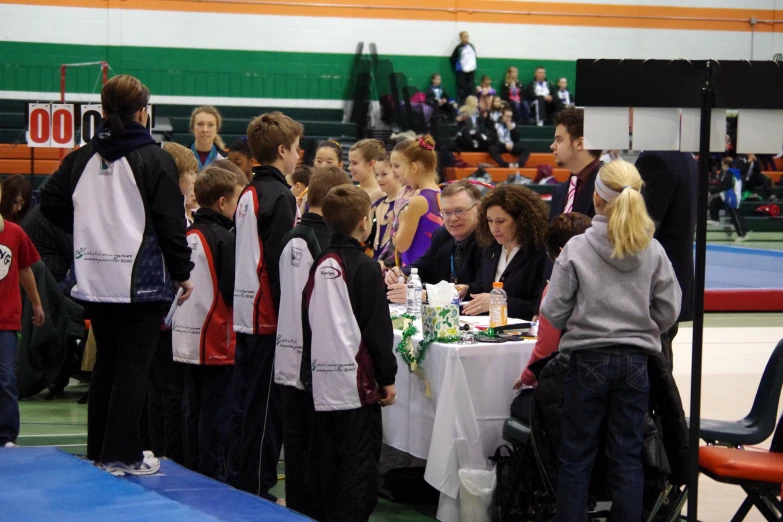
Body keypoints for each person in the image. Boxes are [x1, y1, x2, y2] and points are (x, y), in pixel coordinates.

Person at [40, 74, 194, 475]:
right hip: (141, 281)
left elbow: (50, 203)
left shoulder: (81, 158)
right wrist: (183, 271)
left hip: (94, 276)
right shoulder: (154, 158)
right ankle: (123, 455)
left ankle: (100, 451)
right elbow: (170, 222)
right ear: (144, 110)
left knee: (107, 362)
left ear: (103, 111)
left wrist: (88, 229)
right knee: (133, 367)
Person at [541, 160, 681, 522]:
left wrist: (582, 319)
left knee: (576, 456)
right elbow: (669, 310)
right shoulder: (651, 250)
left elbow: (553, 311)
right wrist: (639, 325)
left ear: (597, 200)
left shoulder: (576, 248)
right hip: (636, 362)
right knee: (627, 456)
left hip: (587, 358)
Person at [301, 184, 398, 522]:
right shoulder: (366, 267)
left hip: (322, 383)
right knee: (358, 466)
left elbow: (307, 319)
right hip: (357, 387)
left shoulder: (319, 263)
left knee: (325, 462)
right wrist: (387, 378)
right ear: (364, 221)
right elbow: (377, 330)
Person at [228, 111, 301, 501]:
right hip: (267, 315)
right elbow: (279, 261)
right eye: (296, 148)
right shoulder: (280, 195)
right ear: (281, 150)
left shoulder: (249, 191)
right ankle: (255, 483)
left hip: (246, 309)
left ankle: (242, 474)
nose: (299, 155)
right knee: (265, 409)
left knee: (245, 402)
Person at [274, 165, 352, 518]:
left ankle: (307, 506)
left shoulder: (305, 236)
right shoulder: (310, 240)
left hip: (301, 357)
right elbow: (307, 305)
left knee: (306, 444)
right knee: (306, 443)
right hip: (307, 361)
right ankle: (306, 507)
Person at [172, 166, 245, 480]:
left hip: (187, 332)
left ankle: (192, 464)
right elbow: (231, 291)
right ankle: (212, 471)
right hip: (216, 336)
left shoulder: (187, 234)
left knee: (193, 405)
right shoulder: (225, 239)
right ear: (222, 203)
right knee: (216, 410)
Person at [509, 212, 592, 421]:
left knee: (520, 404)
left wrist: (527, 376)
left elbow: (547, 346)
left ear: (560, 253)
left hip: (576, 380)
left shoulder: (559, 285)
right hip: (627, 369)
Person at [634, 149, 698, 362]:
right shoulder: (685, 157)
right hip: (673, 276)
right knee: (661, 361)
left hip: (651, 283)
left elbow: (641, 228)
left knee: (653, 366)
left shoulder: (654, 159)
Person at [0, 180, 45, 448]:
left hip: (5, 320)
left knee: (5, 378)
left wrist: (37, 303)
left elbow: (26, 268)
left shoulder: (15, 233)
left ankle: (6, 435)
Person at [385, 180, 483, 302]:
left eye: (459, 211)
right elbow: (422, 267)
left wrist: (427, 296)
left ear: (479, 209)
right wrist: (400, 275)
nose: (453, 218)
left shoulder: (488, 241)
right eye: (446, 212)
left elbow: (480, 288)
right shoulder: (442, 235)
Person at [462, 185, 547, 320]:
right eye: (489, 221)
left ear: (521, 220)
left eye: (500, 221)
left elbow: (539, 307)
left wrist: (499, 302)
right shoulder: (490, 248)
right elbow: (487, 291)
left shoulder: (540, 253)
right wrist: (467, 290)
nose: (494, 228)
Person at [392, 136, 443, 266]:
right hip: (433, 267)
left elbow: (402, 246)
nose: (405, 176)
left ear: (413, 168)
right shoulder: (440, 193)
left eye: (404, 169)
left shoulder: (417, 201)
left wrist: (402, 219)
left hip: (415, 270)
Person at [549, 108, 603, 220]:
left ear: (580, 143)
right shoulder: (560, 191)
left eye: (559, 140)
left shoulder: (610, 187)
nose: (552, 146)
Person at [708, 157, 746, 241]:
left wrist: (712, 191)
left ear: (726, 165)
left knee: (734, 215)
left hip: (733, 196)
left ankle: (742, 235)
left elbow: (725, 185)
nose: (721, 166)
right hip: (727, 195)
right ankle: (715, 220)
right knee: (715, 202)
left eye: (722, 164)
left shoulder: (730, 173)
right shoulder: (732, 172)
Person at [373, 152, 400, 263]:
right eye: (377, 174)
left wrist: (386, 262)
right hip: (375, 260)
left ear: (396, 173)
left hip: (391, 263)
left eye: (384, 174)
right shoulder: (377, 204)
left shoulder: (402, 205)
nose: (379, 179)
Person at [162, 141, 198, 225]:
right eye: (191, 173)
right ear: (177, 175)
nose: (194, 180)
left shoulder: (180, 211)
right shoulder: (169, 214)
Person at [348, 139, 386, 205]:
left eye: (354, 163)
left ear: (370, 164)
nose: (349, 167)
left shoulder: (379, 194)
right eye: (350, 163)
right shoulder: (352, 190)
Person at [450, 31, 477, 105]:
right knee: (462, 91)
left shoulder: (471, 46)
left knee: (471, 90)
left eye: (467, 36)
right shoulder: (458, 48)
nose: (467, 38)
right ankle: (461, 106)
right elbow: (452, 59)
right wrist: (458, 68)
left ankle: (471, 106)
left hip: (471, 72)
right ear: (461, 38)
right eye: (465, 37)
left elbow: (474, 58)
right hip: (461, 73)